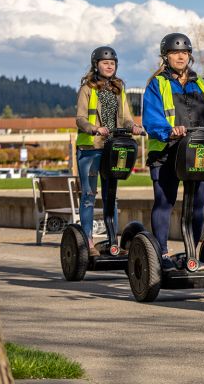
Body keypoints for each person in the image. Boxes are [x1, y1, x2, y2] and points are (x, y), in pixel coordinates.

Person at [142, 33, 204, 270]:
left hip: (197, 150)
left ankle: (191, 255)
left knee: (197, 205)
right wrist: (169, 130)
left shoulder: (201, 84)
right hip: (166, 151)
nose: (180, 57)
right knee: (164, 202)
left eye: (184, 52)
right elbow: (151, 118)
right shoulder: (157, 84)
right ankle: (162, 254)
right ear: (165, 57)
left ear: (189, 56)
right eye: (175, 53)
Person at [75, 46, 143, 255]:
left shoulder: (118, 88)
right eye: (105, 63)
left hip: (113, 147)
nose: (109, 66)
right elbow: (80, 119)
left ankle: (113, 242)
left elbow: (126, 117)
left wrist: (133, 127)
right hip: (90, 148)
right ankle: (88, 242)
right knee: (88, 195)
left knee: (111, 195)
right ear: (96, 65)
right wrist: (94, 128)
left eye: (112, 63)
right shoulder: (87, 88)